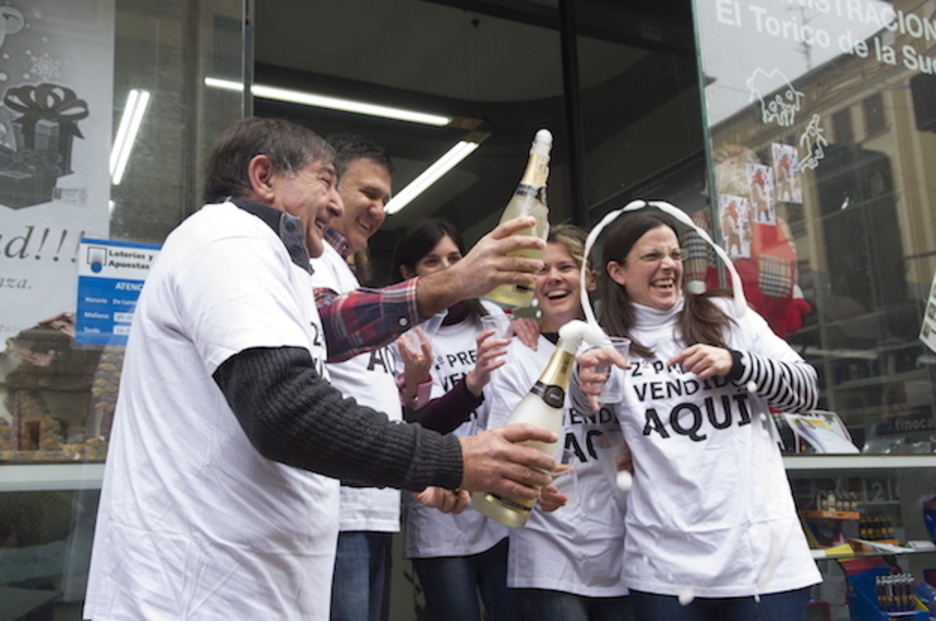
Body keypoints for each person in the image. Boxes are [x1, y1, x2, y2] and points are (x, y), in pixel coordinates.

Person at [82, 117, 559, 620]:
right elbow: (288, 414)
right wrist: (454, 458)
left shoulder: (275, 265)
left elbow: (326, 358)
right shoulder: (230, 236)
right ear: (263, 177)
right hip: (192, 597)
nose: (336, 205)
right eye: (326, 181)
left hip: (248, 588)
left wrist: (420, 473)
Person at [574, 208, 821, 621]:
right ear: (617, 272)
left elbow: (806, 391)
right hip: (662, 566)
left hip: (761, 558)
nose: (668, 265)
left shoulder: (728, 318)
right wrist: (582, 392)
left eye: (674, 254)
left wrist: (736, 363)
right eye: (652, 256)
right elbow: (596, 426)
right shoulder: (604, 345)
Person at [488, 224, 632, 621]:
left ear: (590, 277)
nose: (553, 277)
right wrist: (534, 484)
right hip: (547, 546)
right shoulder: (515, 354)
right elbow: (503, 443)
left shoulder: (619, 346)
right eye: (541, 269)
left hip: (622, 544)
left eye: (566, 266)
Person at [391, 218, 518, 621]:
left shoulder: (498, 321)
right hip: (438, 516)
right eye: (432, 261)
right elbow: (415, 429)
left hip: (498, 510)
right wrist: (472, 383)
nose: (447, 268)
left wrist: (532, 317)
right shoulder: (402, 337)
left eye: (454, 257)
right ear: (408, 274)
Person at [307, 133, 397, 621]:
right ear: (331, 188)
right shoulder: (311, 257)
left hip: (373, 501)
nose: (379, 210)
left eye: (385, 200)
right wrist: (445, 287)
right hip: (339, 506)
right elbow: (326, 325)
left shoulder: (347, 272)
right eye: (370, 194)